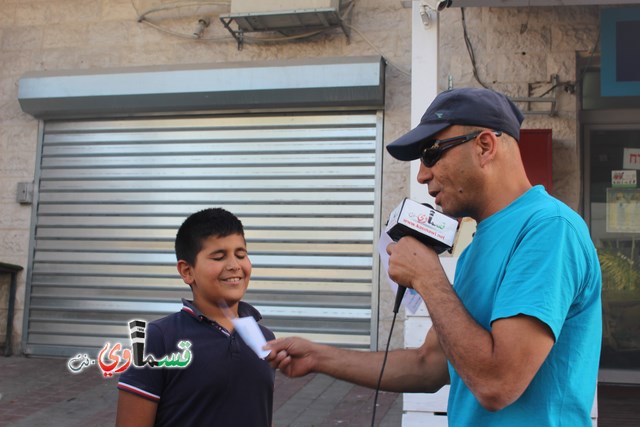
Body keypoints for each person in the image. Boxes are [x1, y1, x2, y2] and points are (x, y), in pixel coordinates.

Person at [266, 87, 602, 426]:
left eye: (431, 154)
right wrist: (318, 357)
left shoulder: (549, 229)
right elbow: (430, 364)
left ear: (484, 146)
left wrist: (427, 276)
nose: (422, 175)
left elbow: (497, 384)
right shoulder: (475, 247)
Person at [116, 208, 275, 427]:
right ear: (187, 271)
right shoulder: (159, 339)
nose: (234, 265)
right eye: (219, 257)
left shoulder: (263, 337)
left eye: (241, 254)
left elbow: (261, 412)